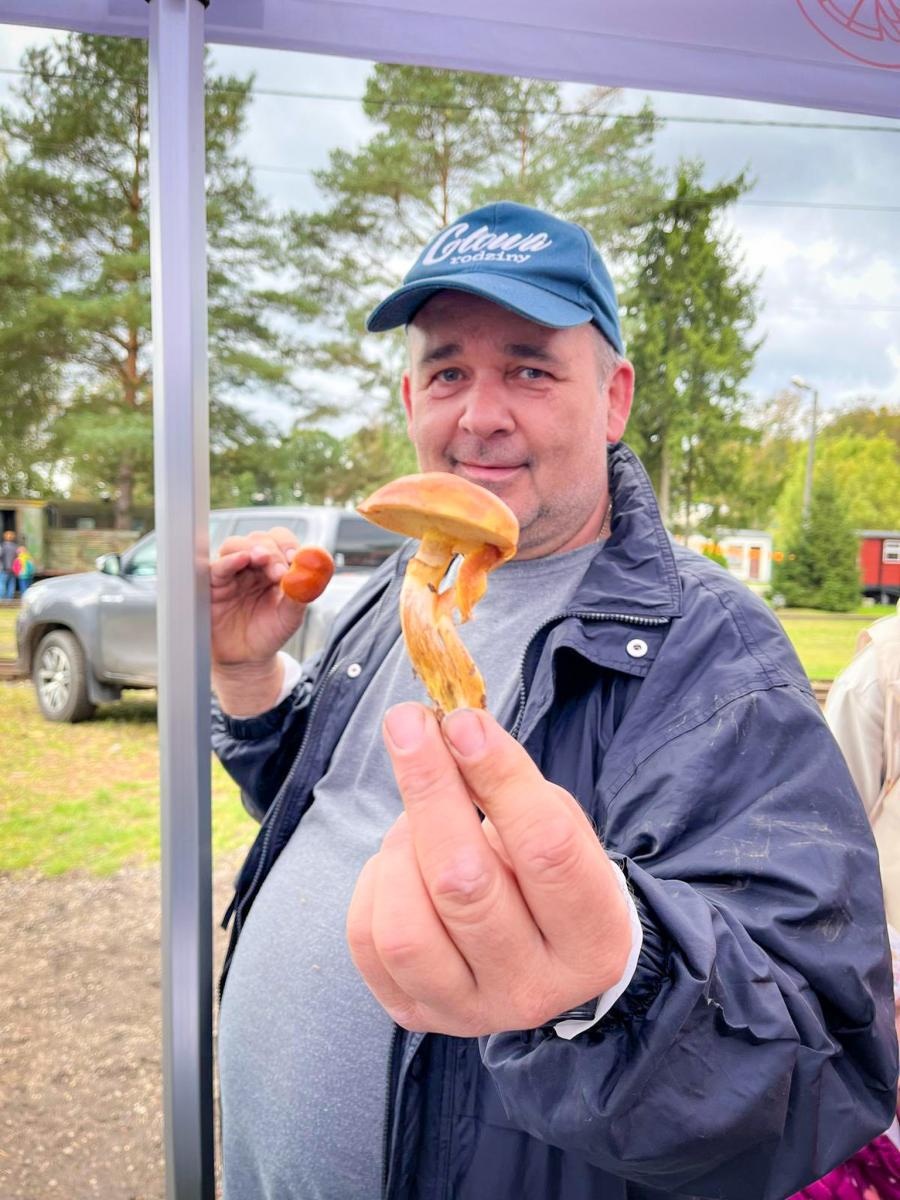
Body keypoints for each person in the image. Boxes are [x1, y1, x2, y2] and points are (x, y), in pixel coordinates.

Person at [210, 201, 897, 1200]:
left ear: (613, 397)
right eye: (449, 371)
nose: (480, 414)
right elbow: (321, 806)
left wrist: (613, 977)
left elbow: (824, 1061)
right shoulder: (398, 588)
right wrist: (243, 676)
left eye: (530, 369)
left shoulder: (712, 651)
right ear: (411, 396)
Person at [1, 529, 18, 600]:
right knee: (11, 584)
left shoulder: (2, 546)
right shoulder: (15, 546)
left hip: (4, 568)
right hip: (13, 569)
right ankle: (9, 599)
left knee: (2, 584)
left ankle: (1, 598)